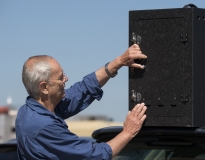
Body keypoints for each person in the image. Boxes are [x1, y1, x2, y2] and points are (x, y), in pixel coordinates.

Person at [15, 44, 147, 160]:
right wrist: (128, 132)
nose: (66, 79)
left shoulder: (28, 111)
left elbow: (81, 91)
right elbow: (92, 155)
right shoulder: (44, 126)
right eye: (60, 78)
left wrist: (118, 62)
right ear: (44, 87)